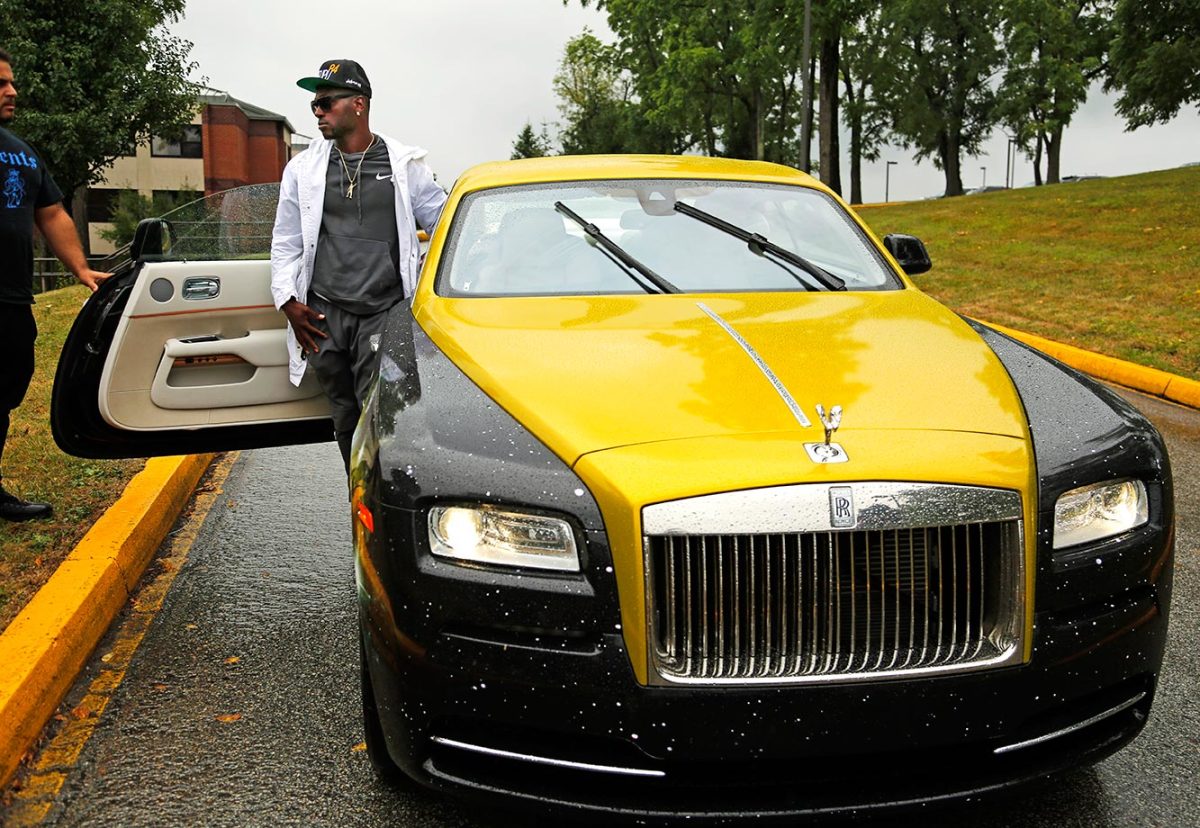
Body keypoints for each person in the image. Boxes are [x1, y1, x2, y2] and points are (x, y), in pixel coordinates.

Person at [271, 59, 446, 471]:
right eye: (315, 105)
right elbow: (286, 241)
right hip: (324, 312)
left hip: (382, 311)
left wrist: (430, 283)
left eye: (326, 103)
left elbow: (443, 222)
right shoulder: (303, 169)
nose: (317, 113)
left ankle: (390, 501)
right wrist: (288, 301)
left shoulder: (404, 166)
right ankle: (361, 497)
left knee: (384, 415)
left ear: (359, 104)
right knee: (345, 415)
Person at [0, 47, 110, 521]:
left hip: (10, 300)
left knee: (4, 391)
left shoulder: (21, 152)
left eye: (11, 82)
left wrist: (81, 270)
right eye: (0, 84)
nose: (12, 91)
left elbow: (50, 213)